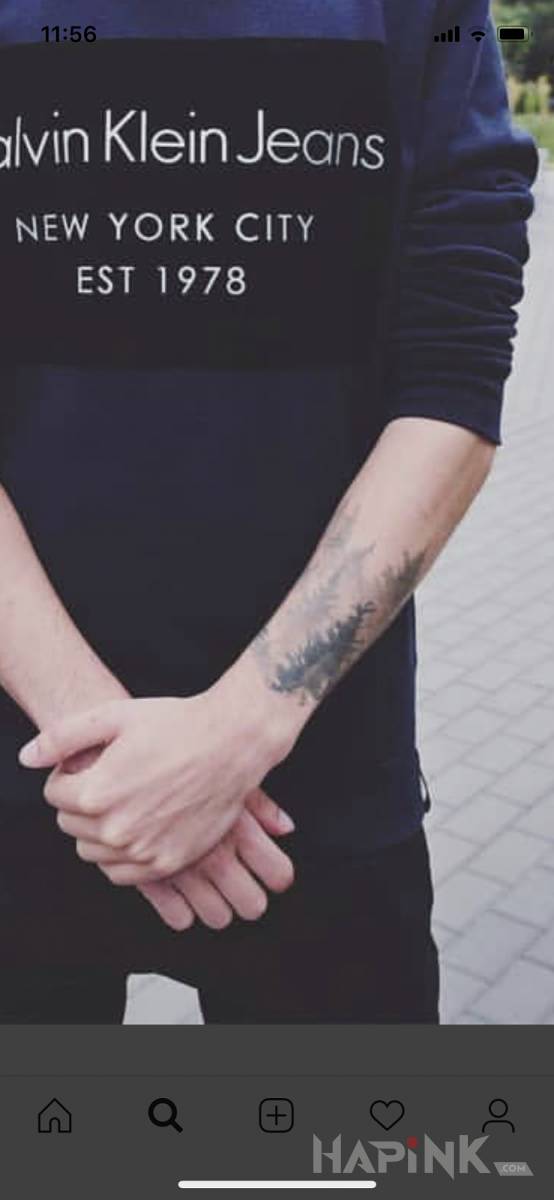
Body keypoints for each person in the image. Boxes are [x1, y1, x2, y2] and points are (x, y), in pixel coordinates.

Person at [0, 0, 537, 1023]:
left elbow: (453, 381)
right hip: (28, 781)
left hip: (310, 799)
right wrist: (100, 749)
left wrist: (238, 732)